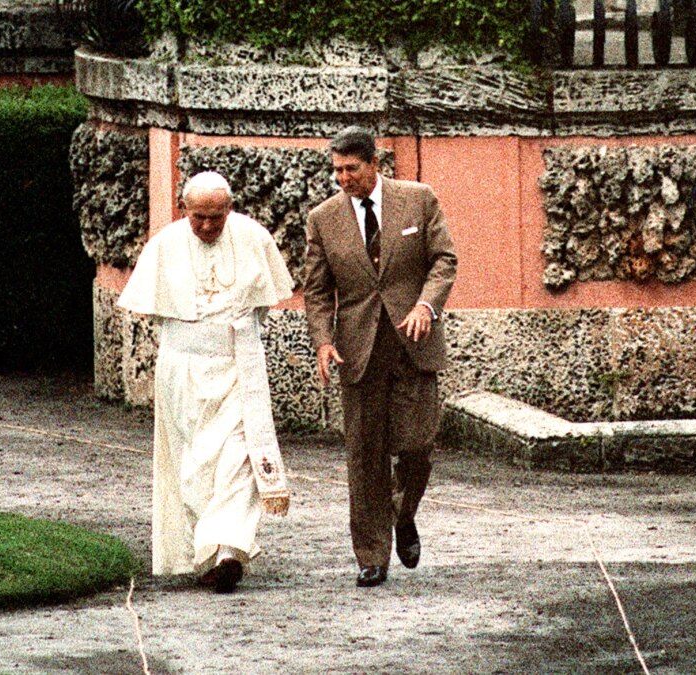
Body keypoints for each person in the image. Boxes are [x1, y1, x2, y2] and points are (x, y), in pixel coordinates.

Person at [116, 171, 294, 593]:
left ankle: (229, 552)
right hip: (184, 370)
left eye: (217, 217)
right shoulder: (165, 245)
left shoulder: (252, 237)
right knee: (193, 466)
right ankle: (207, 553)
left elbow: (264, 305)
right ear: (184, 210)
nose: (208, 227)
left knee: (239, 459)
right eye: (199, 217)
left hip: (238, 367)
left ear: (229, 210)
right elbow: (153, 312)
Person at [303, 127, 458, 588]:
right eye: (337, 170)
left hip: (414, 342)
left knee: (417, 445)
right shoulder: (323, 218)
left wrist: (425, 305)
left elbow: (444, 260)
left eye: (351, 169)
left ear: (375, 164)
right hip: (357, 350)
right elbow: (316, 290)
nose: (343, 178)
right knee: (364, 456)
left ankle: (402, 512)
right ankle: (371, 554)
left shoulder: (418, 199)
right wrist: (323, 341)